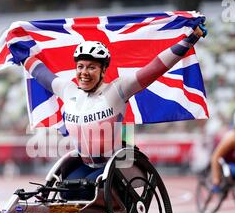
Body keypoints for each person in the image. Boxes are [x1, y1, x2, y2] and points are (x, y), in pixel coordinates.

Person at [22, 23, 207, 199]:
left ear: (103, 71)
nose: (84, 72)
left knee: (87, 188)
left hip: (117, 165)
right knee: (64, 193)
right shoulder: (68, 90)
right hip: (84, 163)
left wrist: (190, 40)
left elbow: (155, 68)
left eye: (91, 67)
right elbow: (41, 74)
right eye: (80, 66)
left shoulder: (117, 91)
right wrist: (20, 51)